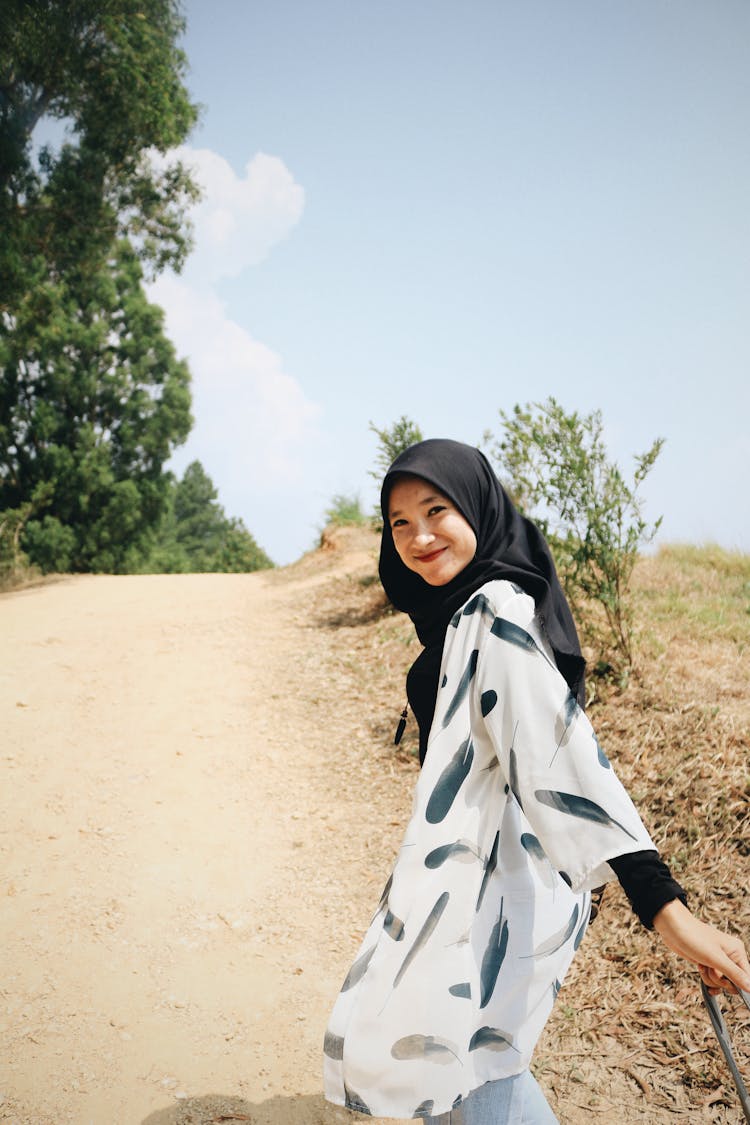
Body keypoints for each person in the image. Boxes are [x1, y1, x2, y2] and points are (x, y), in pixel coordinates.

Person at [324, 439, 750, 1124]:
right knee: (458, 1061)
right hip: (483, 881)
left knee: (473, 1058)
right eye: (398, 521)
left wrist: (667, 909)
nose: (418, 535)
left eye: (436, 510)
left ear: (478, 506)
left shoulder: (494, 611)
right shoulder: (461, 619)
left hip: (504, 891)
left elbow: (566, 760)